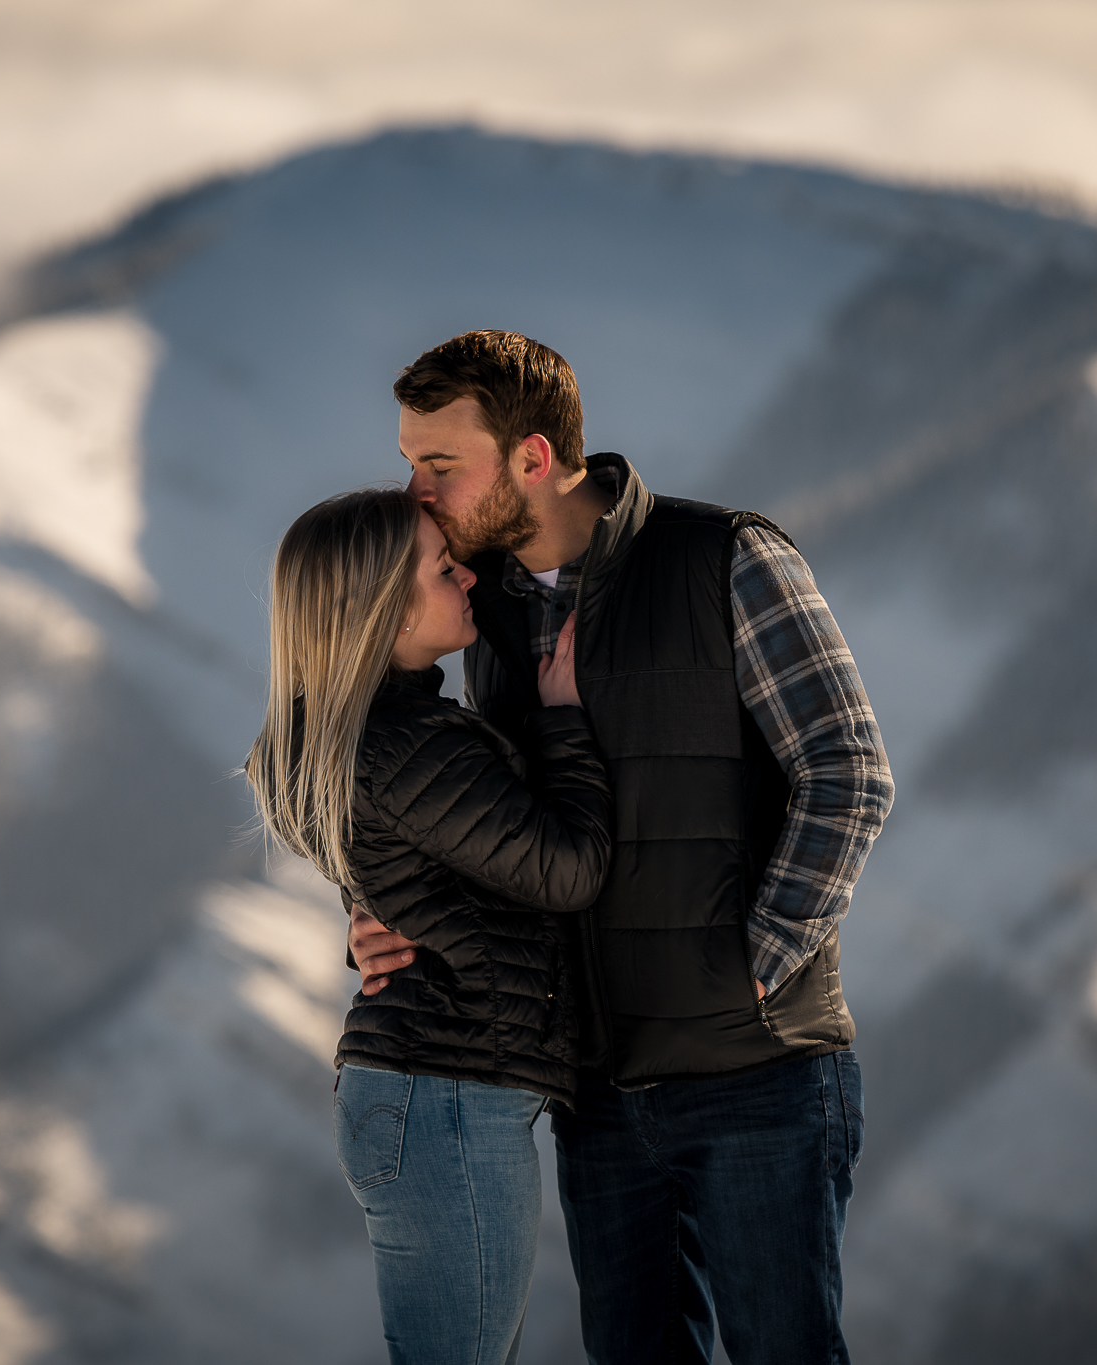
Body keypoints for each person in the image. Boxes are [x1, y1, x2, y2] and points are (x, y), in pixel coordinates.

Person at [349, 331, 895, 1364]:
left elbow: (847, 772)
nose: (416, 493)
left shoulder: (723, 559)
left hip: (756, 1076)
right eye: (411, 462)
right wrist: (380, 912)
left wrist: (753, 968)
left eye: (438, 465)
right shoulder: (486, 613)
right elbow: (484, 820)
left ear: (532, 459)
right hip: (595, 1089)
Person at [245, 487, 612, 1365]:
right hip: (447, 1099)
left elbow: (404, 861)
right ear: (381, 606)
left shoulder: (369, 740)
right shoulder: (409, 743)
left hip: (428, 1094)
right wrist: (565, 722)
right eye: (443, 568)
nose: (467, 577)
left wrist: (366, 919)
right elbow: (569, 868)